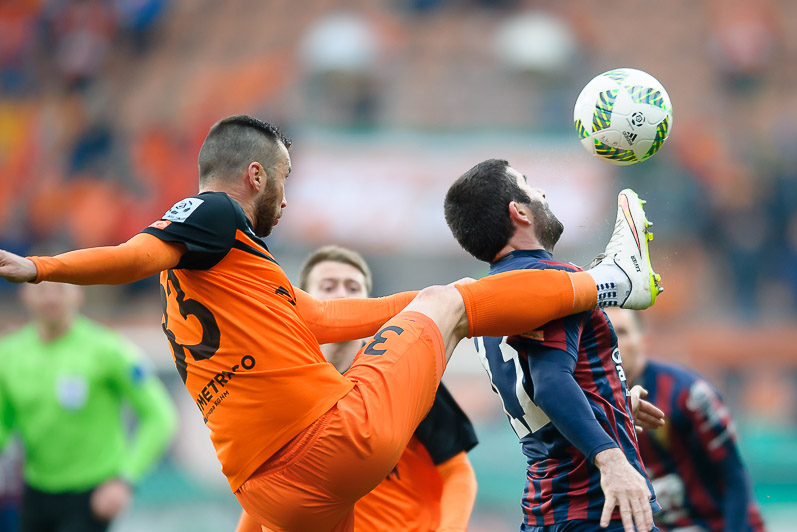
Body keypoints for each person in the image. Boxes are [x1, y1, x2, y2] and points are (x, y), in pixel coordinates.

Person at [0, 115, 661, 532]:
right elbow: (137, 253)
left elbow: (319, 318)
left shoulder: (222, 286)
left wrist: (418, 300)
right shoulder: (210, 214)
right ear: (254, 174)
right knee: (452, 303)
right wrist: (42, 267)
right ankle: (611, 281)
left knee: (438, 302)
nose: (285, 200)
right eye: (283, 182)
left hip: (272, 496)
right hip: (332, 445)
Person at [444, 158, 665, 532]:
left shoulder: (485, 303)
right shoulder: (549, 284)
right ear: (519, 212)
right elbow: (549, 384)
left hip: (547, 509)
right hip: (595, 507)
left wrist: (612, 402)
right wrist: (610, 459)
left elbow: (536, 392)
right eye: (529, 186)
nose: (542, 192)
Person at [237, 244, 479, 532]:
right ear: (304, 300)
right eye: (328, 286)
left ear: (368, 301)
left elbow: (457, 470)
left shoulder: (402, 370)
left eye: (353, 287)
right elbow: (270, 488)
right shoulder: (285, 384)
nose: (341, 294)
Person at [0, 281, 178, 532]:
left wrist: (125, 479)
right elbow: (3, 424)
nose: (51, 298)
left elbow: (159, 416)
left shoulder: (107, 349)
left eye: (60, 289)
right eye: (41, 290)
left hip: (93, 494)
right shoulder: (8, 355)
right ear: (24, 295)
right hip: (35, 490)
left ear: (79, 294)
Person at [605, 308, 766, 532]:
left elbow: (734, 477)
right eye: (603, 333)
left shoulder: (688, 394)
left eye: (621, 332)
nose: (612, 342)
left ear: (644, 341)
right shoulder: (584, 405)